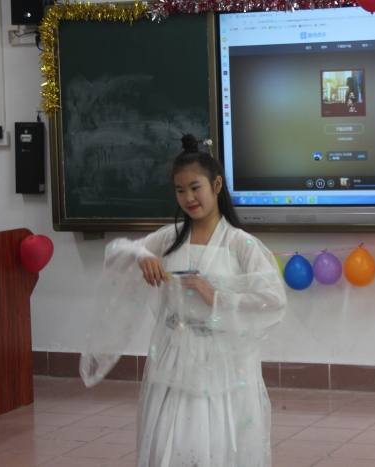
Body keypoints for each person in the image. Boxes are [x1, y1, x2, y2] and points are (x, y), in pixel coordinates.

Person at [79, 134, 288, 467]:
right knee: (169, 436)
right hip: (173, 354)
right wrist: (140, 255)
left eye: (195, 187)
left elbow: (272, 298)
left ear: (216, 185)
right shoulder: (169, 238)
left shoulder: (240, 243)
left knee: (215, 438)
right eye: (180, 190)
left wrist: (217, 297)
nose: (188, 198)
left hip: (221, 361)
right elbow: (116, 251)